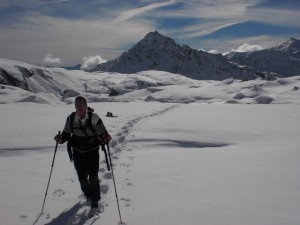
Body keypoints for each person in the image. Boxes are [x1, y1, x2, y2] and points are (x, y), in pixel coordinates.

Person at [54, 96, 112, 212]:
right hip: (77, 152)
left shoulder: (94, 118)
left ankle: (95, 200)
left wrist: (106, 138)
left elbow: (103, 134)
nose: (79, 107)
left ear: (86, 105)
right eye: (77, 105)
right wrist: (60, 139)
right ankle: (88, 194)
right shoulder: (71, 118)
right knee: (82, 177)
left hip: (92, 152)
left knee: (93, 177)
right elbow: (66, 134)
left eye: (81, 104)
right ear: (75, 106)